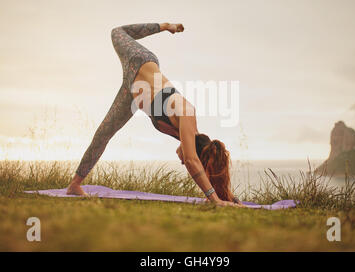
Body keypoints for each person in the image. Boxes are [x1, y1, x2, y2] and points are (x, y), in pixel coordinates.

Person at [66, 22, 244, 207]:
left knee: (103, 133)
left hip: (132, 92)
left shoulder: (183, 135)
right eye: (187, 160)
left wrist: (225, 198)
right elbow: (192, 161)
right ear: (195, 152)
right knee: (117, 32)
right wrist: (214, 200)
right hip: (140, 61)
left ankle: (74, 185)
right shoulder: (188, 114)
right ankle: (166, 25)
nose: (183, 163)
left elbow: (195, 164)